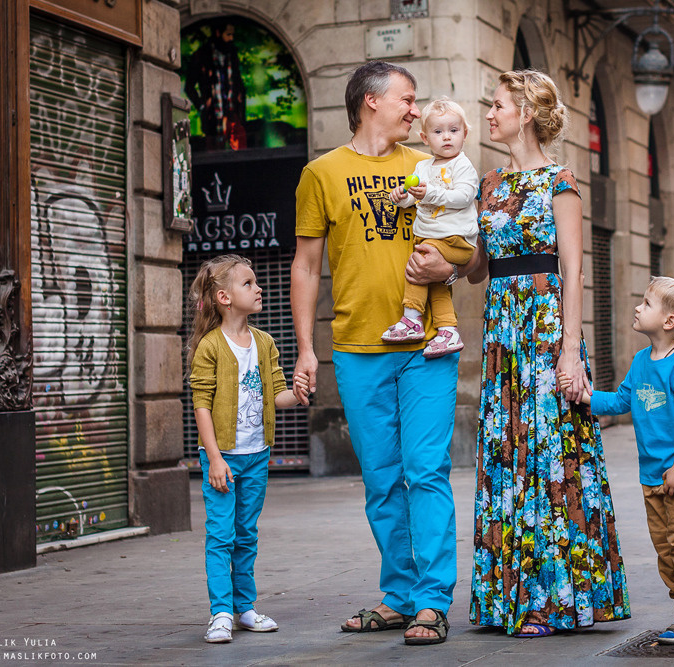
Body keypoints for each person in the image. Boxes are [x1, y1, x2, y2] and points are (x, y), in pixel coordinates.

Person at [291, 61, 463, 646]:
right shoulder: (321, 173)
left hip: (427, 344)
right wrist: (306, 349)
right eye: (406, 99)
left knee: (425, 469)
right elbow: (306, 266)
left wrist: (450, 268)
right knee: (382, 479)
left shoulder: (429, 165)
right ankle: (400, 596)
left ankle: (432, 601)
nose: (416, 110)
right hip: (357, 346)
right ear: (371, 101)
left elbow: (470, 246)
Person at [466, 69, 630, 637]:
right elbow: (478, 268)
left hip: (545, 330)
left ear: (527, 114)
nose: (489, 114)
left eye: (498, 105)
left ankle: (554, 598)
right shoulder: (487, 184)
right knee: (508, 451)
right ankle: (508, 598)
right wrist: (444, 246)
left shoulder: (560, 182)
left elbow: (573, 270)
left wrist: (571, 350)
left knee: (548, 453)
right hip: (502, 333)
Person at [561, 276, 674, 645]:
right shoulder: (641, 360)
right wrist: (585, 396)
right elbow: (621, 401)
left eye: (646, 303)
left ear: (669, 321)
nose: (637, 307)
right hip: (652, 477)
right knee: (665, 550)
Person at [187, 254, 300, 644]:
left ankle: (245, 608)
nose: (259, 288)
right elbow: (201, 404)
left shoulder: (265, 343)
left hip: (257, 455)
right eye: (248, 283)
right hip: (223, 458)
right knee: (221, 535)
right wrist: (214, 458)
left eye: (256, 282)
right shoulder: (210, 346)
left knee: (246, 534)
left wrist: (298, 392)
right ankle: (221, 612)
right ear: (224, 297)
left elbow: (277, 394)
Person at [382, 97, 479, 358]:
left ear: (465, 134)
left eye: (454, 130)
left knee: (418, 265)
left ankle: (411, 318)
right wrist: (402, 197)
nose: (447, 137)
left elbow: (464, 197)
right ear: (425, 138)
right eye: (438, 132)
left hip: (456, 239)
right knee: (435, 282)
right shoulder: (422, 167)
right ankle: (448, 331)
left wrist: (430, 193)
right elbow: (415, 200)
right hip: (433, 238)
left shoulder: (462, 165)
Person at [185, 20, 247, 150]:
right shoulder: (202, 55)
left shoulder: (232, 55)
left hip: (232, 115)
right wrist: (202, 105)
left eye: (232, 35)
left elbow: (238, 83)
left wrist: (241, 107)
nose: (231, 38)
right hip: (212, 117)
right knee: (214, 152)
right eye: (228, 34)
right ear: (218, 33)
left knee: (237, 151)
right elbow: (189, 86)